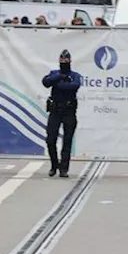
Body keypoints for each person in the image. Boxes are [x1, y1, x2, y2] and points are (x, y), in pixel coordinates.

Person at [41, 50, 82, 178]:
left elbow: (73, 86)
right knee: (50, 139)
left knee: (67, 141)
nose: (64, 61)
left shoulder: (75, 75)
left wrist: (58, 82)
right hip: (55, 111)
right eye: (62, 59)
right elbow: (46, 82)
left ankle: (64, 168)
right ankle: (54, 165)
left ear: (70, 61)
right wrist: (60, 77)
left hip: (69, 111)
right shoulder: (55, 74)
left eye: (66, 60)